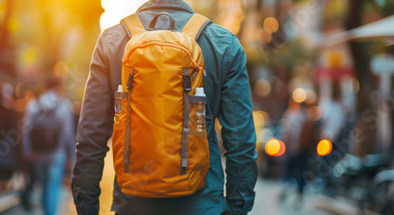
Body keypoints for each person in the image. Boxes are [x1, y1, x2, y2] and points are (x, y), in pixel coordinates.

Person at [72, 1, 257, 215]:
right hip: (203, 205)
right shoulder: (224, 43)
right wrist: (237, 207)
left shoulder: (111, 41)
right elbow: (241, 141)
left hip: (133, 205)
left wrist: (86, 206)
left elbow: (90, 137)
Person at [22, 77, 76, 215]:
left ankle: (44, 212)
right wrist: (71, 155)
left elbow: (26, 129)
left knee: (42, 185)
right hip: (57, 153)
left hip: (37, 153)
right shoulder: (64, 105)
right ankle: (50, 213)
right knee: (52, 186)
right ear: (58, 87)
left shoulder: (34, 104)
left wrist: (27, 150)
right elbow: (68, 133)